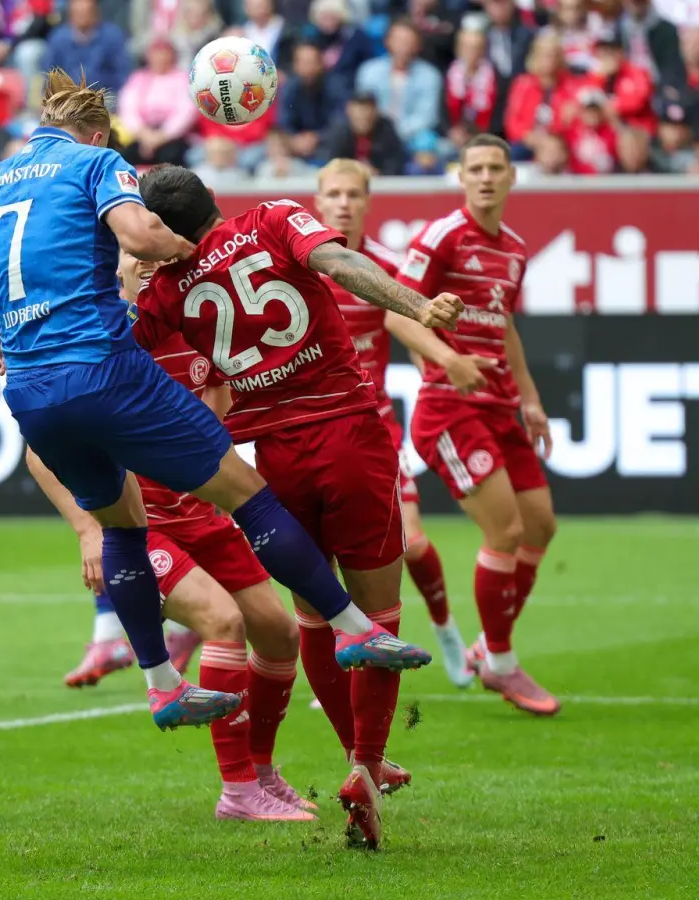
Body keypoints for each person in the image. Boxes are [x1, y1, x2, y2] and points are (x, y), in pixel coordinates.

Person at [0, 71, 435, 735]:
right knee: (249, 495)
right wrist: (189, 251)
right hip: (102, 370)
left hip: (30, 389)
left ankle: (160, 683)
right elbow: (141, 237)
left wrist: (8, 322)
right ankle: (353, 629)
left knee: (120, 526)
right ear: (97, 133)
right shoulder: (96, 162)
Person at [133, 164, 464, 850]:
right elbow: (341, 263)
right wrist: (415, 303)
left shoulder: (164, 291)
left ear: (164, 230)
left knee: (319, 613)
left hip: (274, 464)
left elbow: (114, 354)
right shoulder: (275, 218)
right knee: (375, 618)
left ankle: (360, 758)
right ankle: (365, 767)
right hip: (350, 437)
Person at [36, 253, 315, 822]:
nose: (149, 262)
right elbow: (40, 450)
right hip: (142, 527)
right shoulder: (100, 336)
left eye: (157, 253)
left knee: (281, 634)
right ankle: (237, 792)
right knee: (224, 623)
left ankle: (261, 771)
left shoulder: (196, 326)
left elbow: (214, 414)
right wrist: (90, 529)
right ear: (115, 267)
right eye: (136, 255)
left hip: (203, 514)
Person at [396, 134, 561, 717]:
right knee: (506, 532)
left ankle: (487, 647)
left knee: (540, 526)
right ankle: (501, 663)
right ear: (461, 177)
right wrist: (447, 360)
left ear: (512, 177)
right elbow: (398, 308)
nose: (487, 177)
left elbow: (506, 326)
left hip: (500, 406)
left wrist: (531, 399)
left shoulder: (514, 247)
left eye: (497, 168)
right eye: (476, 168)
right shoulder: (442, 236)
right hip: (449, 406)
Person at [312, 158, 492, 688]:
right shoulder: (295, 267)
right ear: (318, 201)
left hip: (373, 429)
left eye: (353, 194)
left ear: (368, 202)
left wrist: (439, 367)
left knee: (411, 545)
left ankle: (446, 631)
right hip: (310, 429)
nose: (344, 203)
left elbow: (409, 326)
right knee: (319, 560)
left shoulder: (389, 268)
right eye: (334, 194)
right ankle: (345, 666)